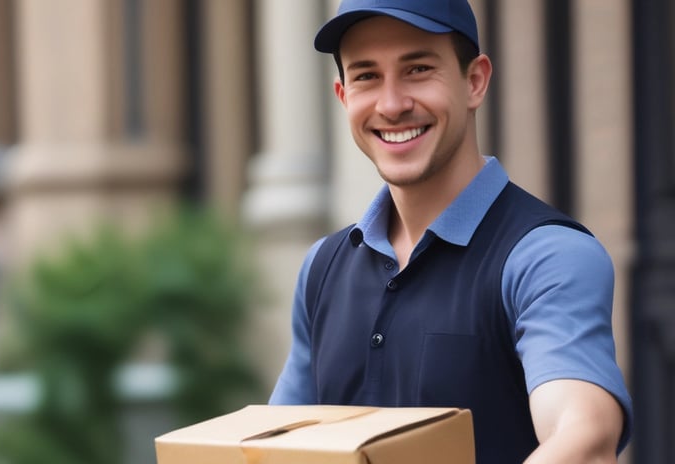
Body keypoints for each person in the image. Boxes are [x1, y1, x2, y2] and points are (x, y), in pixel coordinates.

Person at [268, 0, 633, 462]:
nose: (392, 104)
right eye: (366, 76)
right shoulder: (322, 267)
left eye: (418, 69)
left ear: (474, 81)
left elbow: (583, 438)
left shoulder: (546, 256)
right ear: (343, 96)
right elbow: (274, 444)